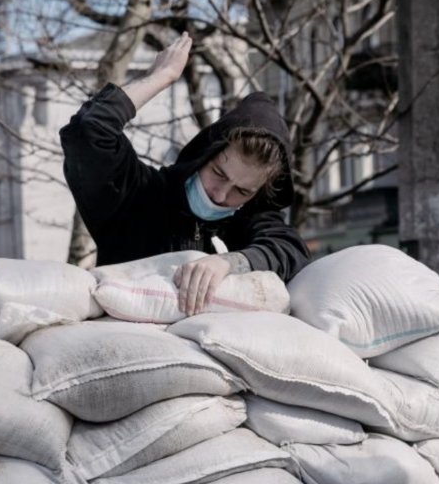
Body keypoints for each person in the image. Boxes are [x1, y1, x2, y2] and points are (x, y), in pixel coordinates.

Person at [60, 32, 310, 316]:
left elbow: (291, 250)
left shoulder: (247, 220)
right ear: (204, 154)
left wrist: (231, 262)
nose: (220, 195)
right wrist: (161, 76)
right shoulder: (137, 193)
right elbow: (89, 130)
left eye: (242, 191)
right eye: (218, 173)